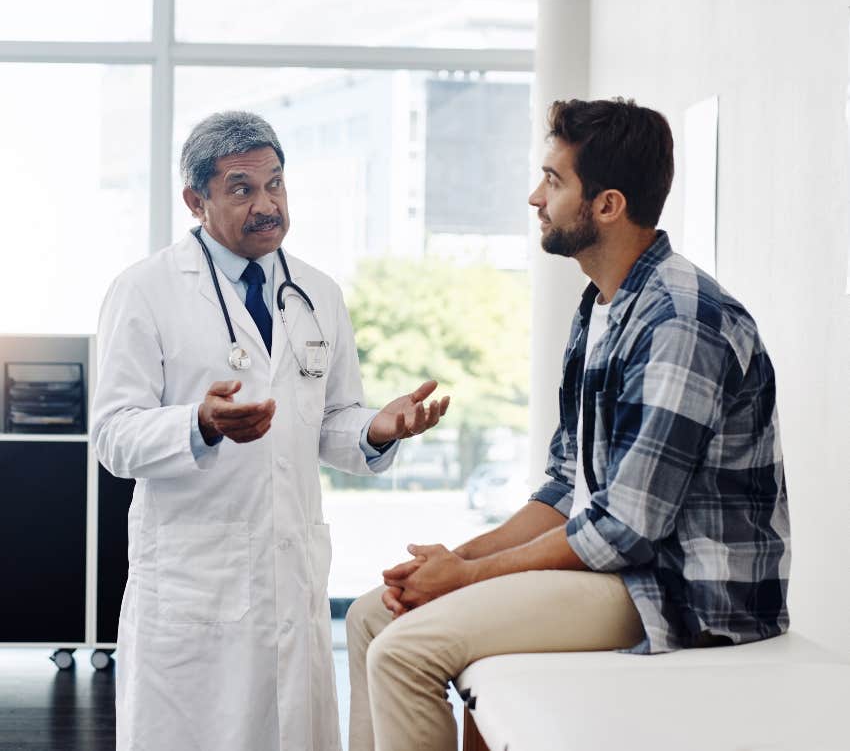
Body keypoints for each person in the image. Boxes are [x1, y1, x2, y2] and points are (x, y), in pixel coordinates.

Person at [346, 98, 791, 751]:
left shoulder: (681, 323)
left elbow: (625, 529)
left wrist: (469, 578)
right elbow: (565, 487)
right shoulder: (604, 306)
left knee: (404, 651)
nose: (535, 197)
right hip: (616, 574)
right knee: (369, 618)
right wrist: (457, 557)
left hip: (682, 592)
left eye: (554, 181)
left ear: (607, 205)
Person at [91, 111, 450, 751]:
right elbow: (114, 437)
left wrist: (378, 428)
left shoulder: (316, 292)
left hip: (292, 581)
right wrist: (198, 424)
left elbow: (332, 424)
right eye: (241, 189)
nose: (267, 205)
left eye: (275, 184)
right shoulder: (144, 291)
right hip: (193, 587)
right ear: (195, 200)